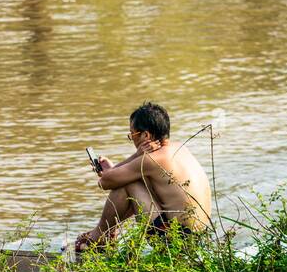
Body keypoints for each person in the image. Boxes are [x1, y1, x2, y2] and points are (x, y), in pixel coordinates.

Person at [75, 101, 212, 250]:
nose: (131, 139)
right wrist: (115, 170)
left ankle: (98, 237)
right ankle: (106, 234)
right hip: (200, 240)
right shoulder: (178, 147)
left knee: (128, 183)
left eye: (132, 134)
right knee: (134, 180)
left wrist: (134, 156)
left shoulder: (152, 160)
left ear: (146, 135)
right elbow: (112, 177)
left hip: (176, 243)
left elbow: (104, 183)